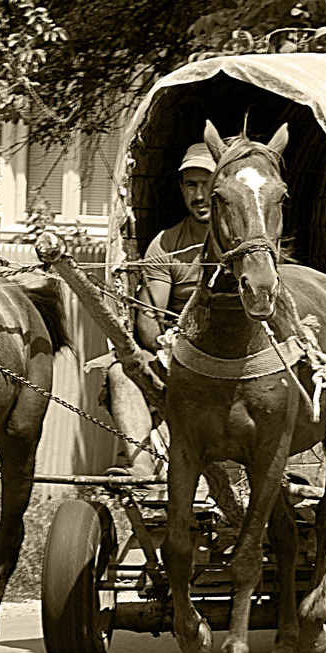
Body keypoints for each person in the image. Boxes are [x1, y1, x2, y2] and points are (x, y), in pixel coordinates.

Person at [105, 140, 218, 477]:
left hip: (237, 355)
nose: (199, 196)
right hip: (182, 355)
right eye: (191, 185)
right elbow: (149, 320)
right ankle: (142, 470)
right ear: (181, 189)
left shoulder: (246, 240)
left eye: (207, 184)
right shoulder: (166, 244)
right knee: (120, 373)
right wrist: (171, 345)